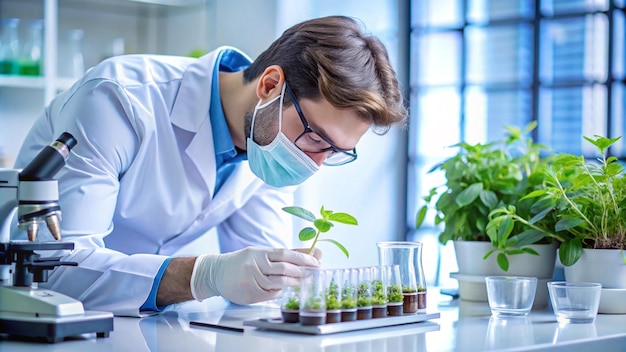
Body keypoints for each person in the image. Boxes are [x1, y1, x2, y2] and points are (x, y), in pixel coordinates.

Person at [12, 15, 407, 316]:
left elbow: (256, 292)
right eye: (317, 138)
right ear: (270, 85)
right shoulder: (120, 99)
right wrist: (206, 275)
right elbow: (53, 269)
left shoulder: (270, 143)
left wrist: (281, 279)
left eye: (335, 151)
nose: (315, 163)